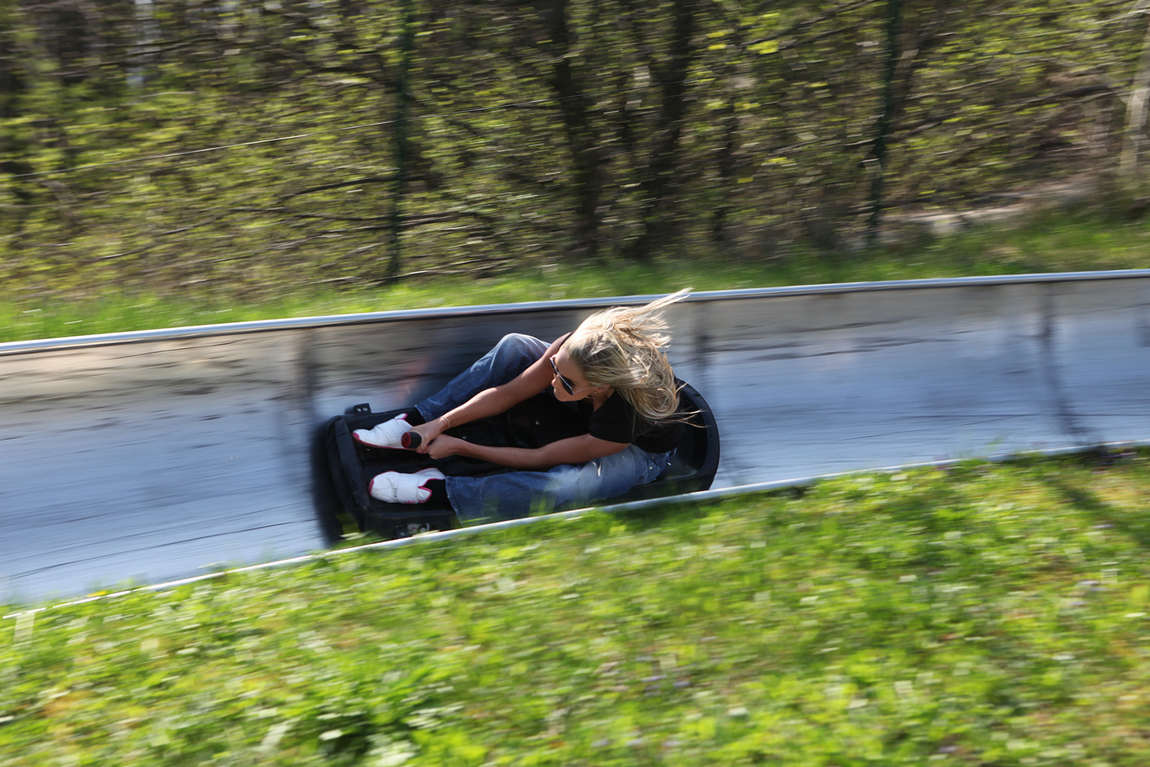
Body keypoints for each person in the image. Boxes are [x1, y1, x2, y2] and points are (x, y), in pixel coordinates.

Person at [352, 289, 691, 524]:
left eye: (566, 383)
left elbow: (541, 459)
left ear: (600, 386)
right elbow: (509, 392)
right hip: (589, 400)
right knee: (515, 346)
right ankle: (414, 418)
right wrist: (439, 424)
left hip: (640, 453)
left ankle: (445, 491)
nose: (554, 383)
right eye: (555, 370)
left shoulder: (623, 418)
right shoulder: (572, 351)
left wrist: (461, 446)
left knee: (568, 485)